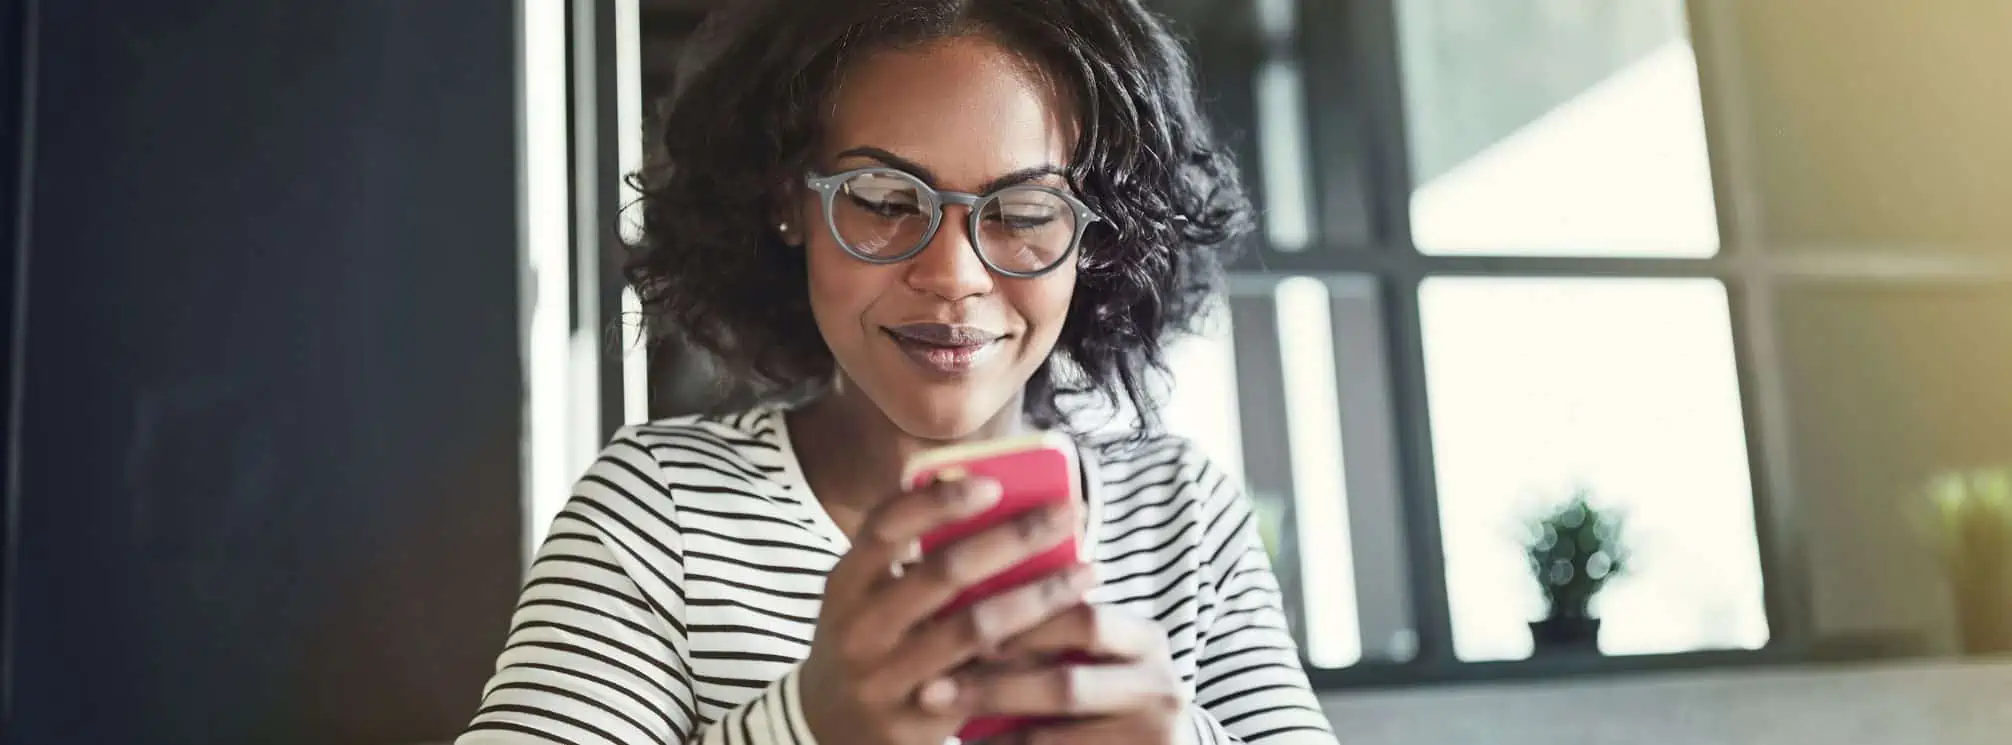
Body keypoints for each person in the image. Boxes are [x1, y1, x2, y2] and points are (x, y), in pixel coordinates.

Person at [459, 1, 1337, 743]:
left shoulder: (1179, 517)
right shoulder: (660, 514)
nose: (954, 275)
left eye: (1026, 212)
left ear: (1095, 239)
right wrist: (807, 723)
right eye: (883, 202)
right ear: (787, 204)